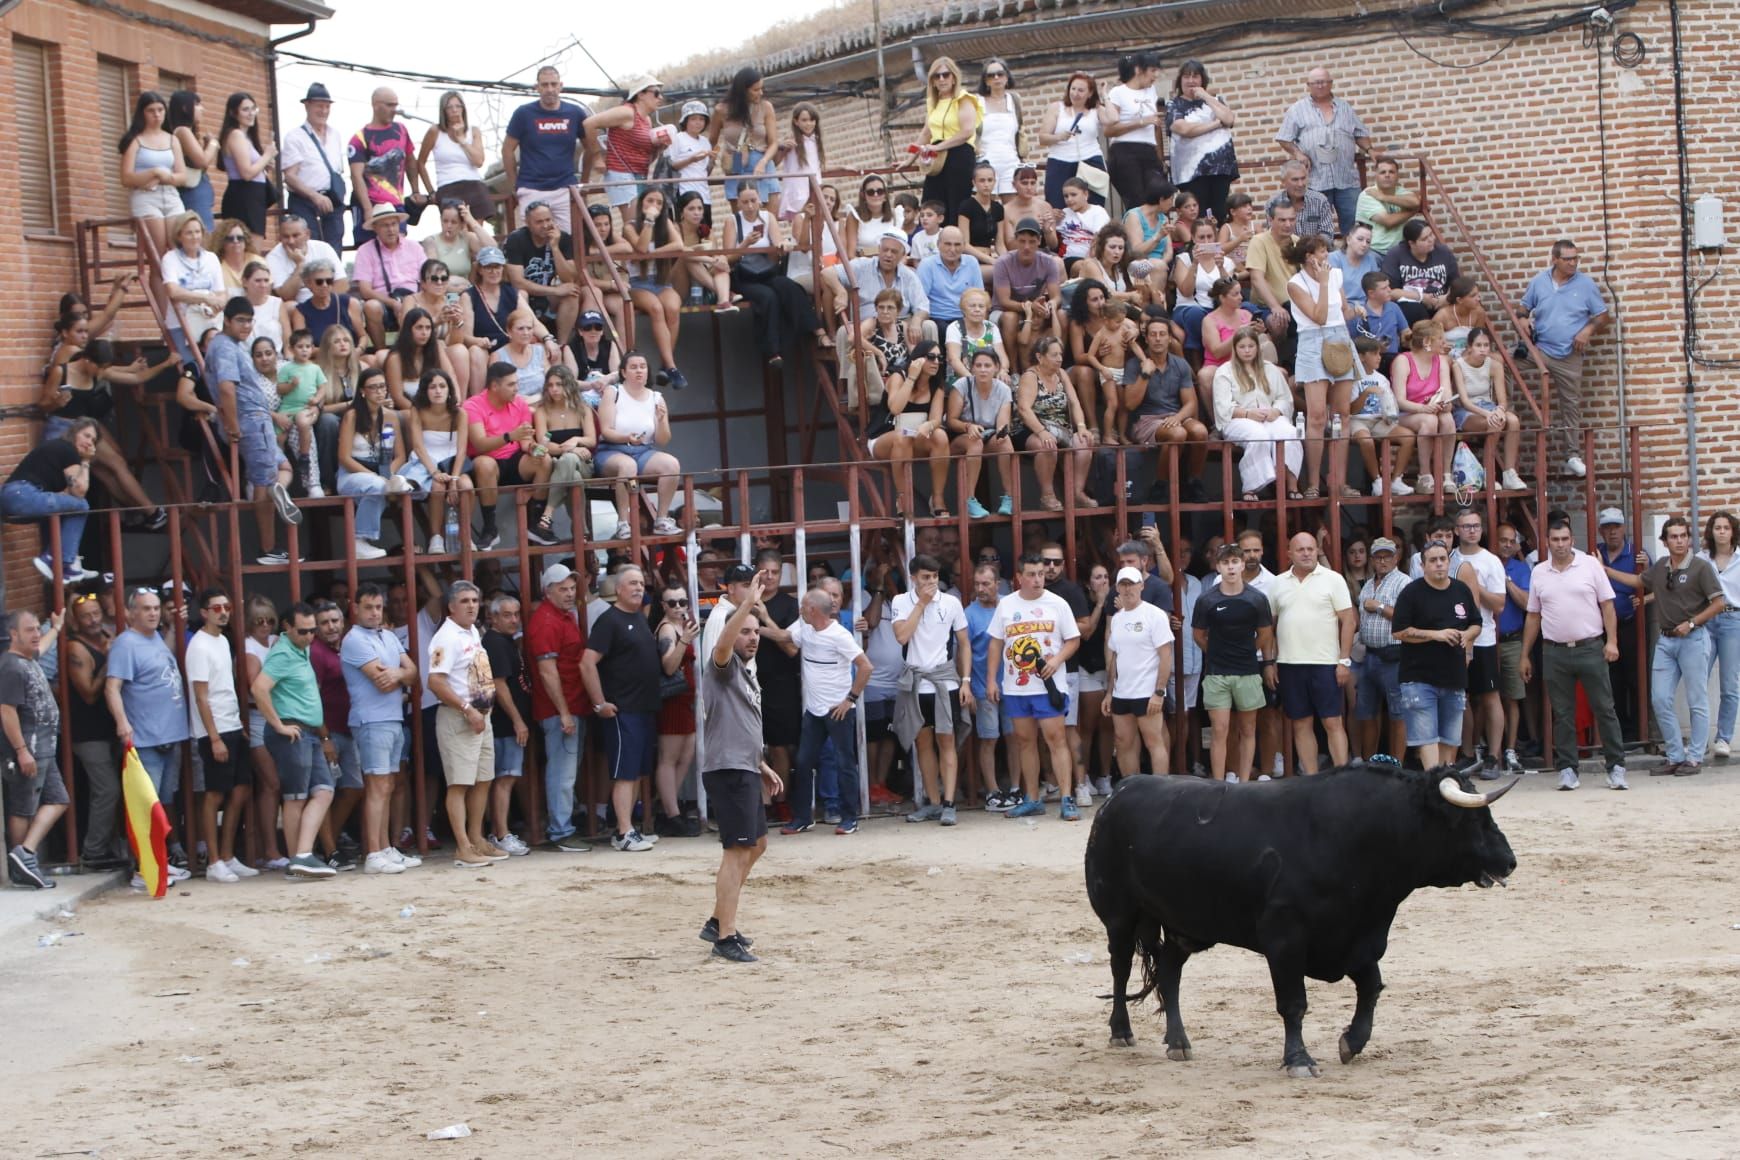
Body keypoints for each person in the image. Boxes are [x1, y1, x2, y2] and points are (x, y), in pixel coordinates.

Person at [698, 591, 784, 963]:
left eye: (755, 632)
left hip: (744, 765)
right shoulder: (724, 664)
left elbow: (740, 725)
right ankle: (725, 936)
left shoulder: (745, 673)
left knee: (758, 844)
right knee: (736, 852)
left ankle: (719, 921)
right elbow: (722, 644)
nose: (751, 637)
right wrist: (746, 605)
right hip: (729, 770)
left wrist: (761, 763)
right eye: (744, 631)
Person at [1521, 518, 1629, 791]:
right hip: (1554, 650)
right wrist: (1525, 654)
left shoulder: (1590, 565)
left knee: (1604, 708)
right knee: (1562, 713)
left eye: (1564, 539)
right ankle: (1568, 768)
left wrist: (1612, 641)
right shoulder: (1539, 572)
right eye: (1555, 540)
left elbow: (1607, 606)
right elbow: (1533, 616)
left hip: (1590, 646)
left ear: (1572, 540)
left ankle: (1616, 766)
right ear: (1547, 542)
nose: (1560, 545)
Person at [206, 299, 303, 565]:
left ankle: (277, 491)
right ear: (226, 320)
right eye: (240, 320)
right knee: (263, 480)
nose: (246, 326)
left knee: (283, 467)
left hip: (256, 419)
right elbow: (226, 387)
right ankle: (268, 549)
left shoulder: (234, 345)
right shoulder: (224, 346)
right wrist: (234, 425)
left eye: (249, 320)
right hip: (249, 419)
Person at [987, 552, 1083, 819]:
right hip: (1016, 686)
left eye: (1041, 574)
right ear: (1019, 577)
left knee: (1056, 739)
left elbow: (1073, 640)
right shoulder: (1006, 605)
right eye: (1031, 574)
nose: (1038, 579)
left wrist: (1057, 661)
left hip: (1048, 686)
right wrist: (992, 680)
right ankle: (1032, 798)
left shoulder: (1058, 604)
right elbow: (996, 642)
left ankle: (1066, 797)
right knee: (1024, 741)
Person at [247, 601, 337, 879]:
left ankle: (302, 855)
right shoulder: (284, 653)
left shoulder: (299, 648)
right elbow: (258, 688)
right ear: (287, 628)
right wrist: (277, 725)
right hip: (292, 731)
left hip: (306, 732)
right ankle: (299, 858)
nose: (310, 636)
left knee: (323, 790)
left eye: (312, 631)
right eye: (303, 631)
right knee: (296, 797)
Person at [779, 587, 873, 835]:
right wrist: (756, 622)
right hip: (814, 711)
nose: (799, 610)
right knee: (803, 762)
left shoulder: (839, 635)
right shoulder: (806, 630)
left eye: (802, 606)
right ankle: (802, 817)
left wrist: (849, 700)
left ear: (812, 610)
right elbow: (782, 636)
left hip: (837, 710)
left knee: (845, 763)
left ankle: (849, 817)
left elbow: (865, 667)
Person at [581, 566, 662, 852]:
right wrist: (599, 703)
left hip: (644, 708)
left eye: (641, 583)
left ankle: (628, 829)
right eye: (632, 583)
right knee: (625, 773)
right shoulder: (609, 620)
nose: (639, 588)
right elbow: (587, 662)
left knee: (639, 772)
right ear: (618, 589)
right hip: (622, 710)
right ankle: (624, 831)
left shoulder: (639, 617)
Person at [425, 581, 507, 865]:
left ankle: (476, 839)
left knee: (483, 778)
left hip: (480, 717)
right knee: (459, 783)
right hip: (459, 717)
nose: (472, 605)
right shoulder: (445, 637)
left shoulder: (471, 630)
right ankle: (462, 846)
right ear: (451, 606)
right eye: (465, 601)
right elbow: (435, 681)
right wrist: (466, 708)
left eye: (475, 600)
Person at [341, 582, 420, 875]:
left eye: (378, 607)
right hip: (371, 720)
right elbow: (382, 680)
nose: (375, 613)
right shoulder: (354, 640)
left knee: (387, 785)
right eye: (368, 608)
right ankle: (373, 852)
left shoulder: (387, 635)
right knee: (376, 786)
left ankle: (385, 847)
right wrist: (403, 674)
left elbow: (412, 673)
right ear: (356, 608)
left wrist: (400, 674)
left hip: (392, 718)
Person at [891, 554, 973, 826]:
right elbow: (902, 636)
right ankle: (933, 802)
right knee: (921, 743)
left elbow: (964, 643)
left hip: (944, 681)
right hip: (915, 682)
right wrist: (922, 604)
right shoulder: (901, 601)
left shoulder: (951, 602)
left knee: (946, 741)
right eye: (925, 577)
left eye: (935, 577)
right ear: (913, 578)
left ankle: (949, 803)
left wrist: (965, 681)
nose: (931, 582)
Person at [1641, 517, 1725, 778]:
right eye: (1673, 537)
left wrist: (1691, 623)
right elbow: (1637, 582)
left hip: (1693, 637)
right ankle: (1676, 755)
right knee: (1660, 698)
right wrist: (1602, 570)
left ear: (1689, 539)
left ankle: (1695, 757)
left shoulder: (1701, 567)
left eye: (1683, 536)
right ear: (1664, 542)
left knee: (1696, 700)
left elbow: (1719, 603)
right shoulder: (1660, 569)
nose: (1679, 541)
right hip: (1666, 640)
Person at [1519, 239, 1609, 477]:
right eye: (1567, 259)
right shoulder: (1539, 282)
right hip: (1539, 349)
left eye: (1575, 258)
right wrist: (1522, 320)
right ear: (1555, 259)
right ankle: (1503, 409)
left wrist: (1587, 330)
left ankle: (1572, 454)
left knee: (1570, 404)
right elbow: (1522, 308)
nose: (1572, 263)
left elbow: (1602, 315)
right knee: (1503, 363)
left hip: (1569, 355)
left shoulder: (1586, 284)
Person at [1267, 533, 1356, 775]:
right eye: (1300, 550)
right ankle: (1311, 780)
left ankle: (1342, 778)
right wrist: (1271, 660)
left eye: (1310, 549)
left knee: (1332, 722)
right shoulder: (1277, 583)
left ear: (1317, 550)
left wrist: (1344, 661)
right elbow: (1270, 626)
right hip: (1289, 664)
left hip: (1325, 663)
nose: (1306, 553)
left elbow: (1348, 621)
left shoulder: (1333, 579)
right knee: (1300, 723)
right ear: (1289, 553)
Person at [183, 587, 254, 883]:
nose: (223, 612)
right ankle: (213, 861)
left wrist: (237, 722)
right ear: (203, 613)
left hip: (232, 725)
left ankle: (227, 855)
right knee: (214, 794)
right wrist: (213, 737)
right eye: (216, 608)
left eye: (226, 607)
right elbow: (201, 697)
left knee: (240, 789)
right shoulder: (198, 646)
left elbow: (225, 686)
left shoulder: (223, 641)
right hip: (213, 731)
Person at [1389, 542, 1479, 770]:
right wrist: (1435, 635)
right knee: (1426, 739)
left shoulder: (1461, 590)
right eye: (1433, 560)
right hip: (1419, 678)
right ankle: (1433, 784)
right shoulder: (1412, 592)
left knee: (1450, 741)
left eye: (1443, 559)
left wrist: (1467, 635)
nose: (1439, 564)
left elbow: (1476, 623)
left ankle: (1443, 787)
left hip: (1454, 676)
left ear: (1449, 561)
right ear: (1423, 565)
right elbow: (1399, 631)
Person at [525, 564, 592, 851]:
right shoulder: (546, 622)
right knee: (562, 772)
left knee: (566, 770)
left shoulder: (562, 617)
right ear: (547, 590)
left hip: (572, 705)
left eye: (572, 588)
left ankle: (562, 826)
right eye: (562, 589)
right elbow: (547, 671)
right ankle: (560, 832)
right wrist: (564, 712)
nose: (569, 593)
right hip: (560, 710)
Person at [1286, 233, 1357, 498]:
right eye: (1322, 252)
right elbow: (1318, 316)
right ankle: (1314, 482)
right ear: (1309, 257)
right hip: (1313, 340)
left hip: (1340, 338)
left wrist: (1356, 310)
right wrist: (1324, 283)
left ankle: (1339, 480)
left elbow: (1343, 311)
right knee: (1317, 416)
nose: (1327, 256)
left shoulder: (1336, 274)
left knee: (1343, 414)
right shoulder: (1295, 283)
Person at [724, 185, 828, 365]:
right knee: (768, 297)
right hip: (745, 276)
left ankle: (817, 331)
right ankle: (773, 351)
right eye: (745, 202)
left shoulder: (768, 217)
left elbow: (778, 241)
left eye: (753, 201)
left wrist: (782, 246)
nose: (749, 206)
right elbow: (727, 259)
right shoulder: (732, 221)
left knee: (789, 287)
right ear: (738, 203)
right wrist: (745, 244)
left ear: (759, 200)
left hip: (767, 272)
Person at [1, 612, 66, 890]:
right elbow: (6, 711)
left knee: (59, 799)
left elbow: (44, 645)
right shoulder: (11, 667)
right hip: (29, 750)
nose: (36, 634)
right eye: (29, 630)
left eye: (38, 629)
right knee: (23, 808)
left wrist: (57, 627)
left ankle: (24, 853)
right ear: (13, 634)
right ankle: (22, 863)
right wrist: (21, 750)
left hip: (44, 750)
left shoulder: (28, 659)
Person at [463, 360, 554, 550]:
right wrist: (509, 436)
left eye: (517, 383)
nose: (517, 389)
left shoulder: (519, 404)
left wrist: (534, 449)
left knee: (544, 460)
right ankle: (490, 528)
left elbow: (525, 442)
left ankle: (536, 524)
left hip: (513, 460)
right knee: (484, 463)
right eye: (511, 384)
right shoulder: (472, 406)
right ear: (494, 386)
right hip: (487, 463)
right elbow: (479, 444)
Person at [1274, 67, 1376, 236]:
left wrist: (1370, 150)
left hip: (1346, 179)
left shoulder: (1345, 108)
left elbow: (1360, 133)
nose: (1320, 86)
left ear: (1331, 84)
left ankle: (1351, 259)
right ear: (1308, 85)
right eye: (1316, 83)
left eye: (1324, 82)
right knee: (1315, 227)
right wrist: (1298, 154)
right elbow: (1284, 137)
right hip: (1315, 180)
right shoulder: (1297, 110)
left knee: (1354, 226)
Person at [595, 352, 681, 539]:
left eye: (642, 367)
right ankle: (623, 523)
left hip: (643, 451)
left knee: (671, 465)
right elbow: (606, 430)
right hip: (611, 450)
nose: (639, 371)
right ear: (624, 372)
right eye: (633, 367)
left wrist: (661, 420)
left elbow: (663, 440)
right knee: (628, 466)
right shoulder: (613, 392)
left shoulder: (656, 397)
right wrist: (626, 437)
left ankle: (662, 519)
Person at [1, 418, 97, 584]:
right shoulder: (67, 449)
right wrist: (86, 461)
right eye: (86, 436)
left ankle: (69, 563)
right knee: (82, 506)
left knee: (64, 512)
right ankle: (56, 559)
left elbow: (68, 496)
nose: (89, 443)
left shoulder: (58, 450)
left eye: (93, 440)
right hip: (22, 493)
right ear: (74, 433)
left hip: (15, 497)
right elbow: (79, 492)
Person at [1451, 509, 1510, 777]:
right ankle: (1466, 753)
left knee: (1489, 697)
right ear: (1456, 530)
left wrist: (1474, 585)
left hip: (1483, 636)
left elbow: (1499, 604)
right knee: (1459, 698)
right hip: (1453, 638)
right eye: (1466, 526)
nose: (1472, 530)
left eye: (1476, 525)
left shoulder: (1491, 561)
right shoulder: (1448, 559)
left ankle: (1493, 756)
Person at [1212, 326, 1300, 501]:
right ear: (1235, 349)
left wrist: (1276, 410)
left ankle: (1291, 484)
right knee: (1258, 434)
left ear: (1257, 348)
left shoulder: (1270, 369)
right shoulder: (1224, 371)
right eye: (1242, 347)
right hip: (1239, 419)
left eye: (1250, 346)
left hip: (1269, 416)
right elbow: (1223, 407)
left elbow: (1284, 398)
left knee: (1289, 432)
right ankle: (1251, 487)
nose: (1246, 351)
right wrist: (1247, 414)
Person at [1126, 316, 1210, 498]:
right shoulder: (1134, 364)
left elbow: (1190, 403)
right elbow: (1130, 404)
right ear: (1146, 338)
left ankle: (1194, 482)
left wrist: (1177, 418)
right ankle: (1161, 483)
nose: (1157, 338)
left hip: (1175, 416)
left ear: (1170, 338)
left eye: (1162, 334)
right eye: (1153, 334)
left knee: (1200, 432)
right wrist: (1145, 374)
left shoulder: (1180, 364)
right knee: (1178, 434)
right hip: (1146, 420)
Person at [1013, 336, 1098, 512]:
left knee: (1084, 441)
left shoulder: (1061, 373)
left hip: (1060, 428)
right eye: (1054, 355)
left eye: (1060, 354)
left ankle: (1077, 492)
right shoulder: (1030, 376)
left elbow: (1074, 403)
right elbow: (1024, 410)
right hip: (1031, 429)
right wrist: (1042, 431)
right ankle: (1047, 495)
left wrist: (1082, 426)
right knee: (1047, 446)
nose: (1059, 358)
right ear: (1040, 357)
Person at [502, 67, 591, 235]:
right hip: (531, 188)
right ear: (537, 87)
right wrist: (515, 185)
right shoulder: (523, 113)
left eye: (553, 84)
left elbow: (591, 148)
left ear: (560, 86)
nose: (549, 89)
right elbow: (507, 150)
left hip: (565, 188)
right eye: (544, 85)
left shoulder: (575, 113)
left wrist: (584, 182)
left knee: (570, 242)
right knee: (534, 243)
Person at [1106, 565, 1175, 779]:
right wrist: (1110, 692)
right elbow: (1116, 657)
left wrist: (1159, 692)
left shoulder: (1154, 615)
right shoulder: (1117, 618)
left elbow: (1166, 655)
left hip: (1147, 692)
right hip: (1122, 692)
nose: (1128, 589)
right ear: (1117, 588)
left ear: (1142, 586)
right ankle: (1131, 791)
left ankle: (1161, 793)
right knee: (1123, 741)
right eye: (1123, 584)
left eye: (1132, 584)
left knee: (1154, 741)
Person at [335, 367, 409, 561]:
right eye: (373, 387)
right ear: (362, 391)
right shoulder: (352, 416)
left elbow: (400, 455)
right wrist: (375, 477)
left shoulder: (391, 416)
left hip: (383, 470)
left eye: (382, 387)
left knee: (391, 485)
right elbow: (344, 457)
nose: (379, 391)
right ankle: (359, 540)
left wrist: (388, 474)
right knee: (377, 486)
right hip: (351, 473)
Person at [620, 187, 690, 390]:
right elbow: (640, 247)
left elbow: (679, 246)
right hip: (638, 282)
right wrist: (649, 221)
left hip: (661, 282)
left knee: (673, 307)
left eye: (659, 203)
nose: (655, 206)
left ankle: (664, 365)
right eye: (650, 201)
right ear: (642, 203)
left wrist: (653, 253)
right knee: (657, 309)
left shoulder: (666, 223)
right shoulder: (630, 226)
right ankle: (671, 367)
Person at [480, 595, 533, 855]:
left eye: (516, 614)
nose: (514, 619)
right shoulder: (496, 643)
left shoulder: (504, 641)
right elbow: (499, 685)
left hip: (506, 722)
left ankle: (498, 832)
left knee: (504, 778)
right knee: (505, 778)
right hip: (504, 724)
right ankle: (501, 833)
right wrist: (518, 721)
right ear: (493, 617)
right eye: (507, 615)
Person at [651, 582, 700, 838]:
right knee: (669, 759)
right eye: (672, 603)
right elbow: (669, 666)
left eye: (682, 602)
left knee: (684, 756)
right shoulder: (668, 629)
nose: (678, 607)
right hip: (672, 700)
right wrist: (685, 642)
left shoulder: (681, 626)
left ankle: (666, 808)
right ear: (663, 606)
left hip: (684, 700)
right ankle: (671, 814)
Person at [1595, 507, 1649, 741]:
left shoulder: (1638, 555)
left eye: (1616, 526)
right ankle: (1618, 732)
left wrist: (1646, 568)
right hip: (1602, 629)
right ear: (1601, 531)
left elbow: (1652, 584)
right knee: (1611, 682)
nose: (1612, 532)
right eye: (1607, 528)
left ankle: (1638, 731)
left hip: (1630, 626)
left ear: (1624, 528)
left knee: (1635, 678)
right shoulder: (1594, 554)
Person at [1354, 537, 1409, 762]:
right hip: (1369, 656)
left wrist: (1379, 607)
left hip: (1394, 656)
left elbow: (1406, 617)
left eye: (1388, 556)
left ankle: (1397, 767)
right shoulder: (1368, 584)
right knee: (1367, 714)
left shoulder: (1403, 582)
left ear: (1396, 558)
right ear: (1372, 559)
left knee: (1398, 714)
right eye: (1378, 557)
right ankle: (1370, 765)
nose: (1383, 561)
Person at [1165, 60, 1237, 223]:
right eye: (1186, 76)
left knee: (1219, 213)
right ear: (1180, 80)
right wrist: (1217, 124)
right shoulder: (1174, 105)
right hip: (1191, 171)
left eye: (1195, 76)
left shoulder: (1215, 99)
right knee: (1198, 215)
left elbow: (1229, 118)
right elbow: (1185, 130)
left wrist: (1206, 96)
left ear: (1202, 79)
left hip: (1219, 168)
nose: (1191, 81)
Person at [118, 90, 187, 260]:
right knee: (158, 256)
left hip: (171, 196)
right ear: (142, 113)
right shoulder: (135, 140)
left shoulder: (172, 139)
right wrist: (154, 172)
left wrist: (165, 177)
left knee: (178, 252)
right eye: (151, 110)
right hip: (146, 197)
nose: (156, 114)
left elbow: (182, 176)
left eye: (160, 109)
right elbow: (126, 178)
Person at [352, 205, 431, 348]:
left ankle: (409, 351)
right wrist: (393, 303)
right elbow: (365, 290)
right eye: (385, 225)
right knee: (371, 306)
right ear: (375, 228)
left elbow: (428, 277)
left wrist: (412, 301)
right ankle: (381, 351)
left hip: (415, 298)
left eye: (394, 224)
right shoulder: (365, 251)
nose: (391, 229)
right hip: (384, 303)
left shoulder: (414, 247)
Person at [281, 82, 349, 250]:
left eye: (327, 106)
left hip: (332, 199)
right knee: (309, 246)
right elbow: (290, 176)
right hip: (305, 201)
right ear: (307, 106)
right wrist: (315, 197)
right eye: (319, 106)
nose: (324, 111)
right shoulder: (295, 137)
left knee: (334, 247)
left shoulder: (335, 135)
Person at [349, 87, 423, 238]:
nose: (394, 110)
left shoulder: (401, 130)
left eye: (395, 105)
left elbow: (410, 160)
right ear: (376, 105)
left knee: (398, 246)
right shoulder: (360, 138)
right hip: (370, 202)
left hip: (395, 203)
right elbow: (356, 176)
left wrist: (415, 190)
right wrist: (367, 208)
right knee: (369, 249)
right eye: (389, 105)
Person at [1391, 322, 1456, 494]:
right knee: (1429, 420)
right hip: (1406, 413)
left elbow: (1446, 392)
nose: (1444, 342)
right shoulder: (1403, 361)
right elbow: (1399, 400)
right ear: (1427, 341)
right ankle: (1425, 475)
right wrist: (1423, 408)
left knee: (1447, 419)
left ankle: (1446, 474)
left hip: (1432, 410)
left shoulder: (1441, 361)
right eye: (1440, 338)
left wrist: (1445, 403)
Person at [915, 56, 981, 223]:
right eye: (937, 76)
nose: (942, 79)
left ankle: (957, 242)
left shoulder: (964, 99)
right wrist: (908, 159)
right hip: (936, 160)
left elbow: (967, 131)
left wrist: (939, 147)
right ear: (933, 81)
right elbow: (925, 134)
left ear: (954, 77)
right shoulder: (933, 103)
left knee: (956, 205)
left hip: (959, 154)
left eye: (946, 74)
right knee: (932, 203)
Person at [993, 217, 1064, 372]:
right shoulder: (1003, 263)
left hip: (1034, 309)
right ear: (1016, 241)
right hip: (1006, 310)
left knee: (1062, 314)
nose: (1026, 247)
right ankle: (1014, 369)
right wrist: (1029, 307)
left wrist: (1051, 304)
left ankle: (1059, 365)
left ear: (1039, 241)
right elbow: (1004, 301)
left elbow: (1056, 296)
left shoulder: (1048, 262)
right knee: (1010, 317)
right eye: (1022, 241)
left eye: (1031, 242)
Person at [711, 68, 782, 218]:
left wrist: (763, 162)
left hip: (762, 163)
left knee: (769, 221)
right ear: (743, 90)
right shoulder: (721, 110)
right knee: (743, 222)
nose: (761, 93)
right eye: (756, 90)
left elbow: (773, 142)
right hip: (736, 162)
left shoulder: (766, 107)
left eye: (762, 88)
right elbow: (712, 143)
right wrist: (709, 165)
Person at [1495, 523, 1535, 773]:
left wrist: (1506, 580)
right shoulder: (1483, 563)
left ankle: (1509, 750)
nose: (1507, 545)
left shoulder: (1521, 569)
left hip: (1512, 640)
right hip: (1487, 640)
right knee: (1484, 699)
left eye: (1512, 541)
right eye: (1503, 540)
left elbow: (1528, 604)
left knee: (1512, 698)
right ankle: (1490, 751)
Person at [1101, 52, 1164, 212]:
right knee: (1137, 202)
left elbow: (1155, 123)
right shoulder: (1118, 92)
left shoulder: (1151, 91)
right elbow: (1109, 130)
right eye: (1152, 70)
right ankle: (1137, 235)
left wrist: (1160, 155)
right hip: (1125, 151)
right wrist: (1141, 122)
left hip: (1149, 150)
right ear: (1138, 70)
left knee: (1158, 196)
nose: (1155, 75)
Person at [1701, 511, 1740, 763]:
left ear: (1733, 531)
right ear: (1711, 531)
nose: (1722, 532)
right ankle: (1699, 739)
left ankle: (1723, 738)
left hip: (1732, 620)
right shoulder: (1702, 559)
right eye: (1718, 527)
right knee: (1698, 679)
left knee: (1730, 683)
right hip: (1705, 620)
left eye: (1726, 527)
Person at [217, 92, 276, 247]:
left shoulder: (246, 136)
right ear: (233, 113)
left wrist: (265, 165)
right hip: (244, 196)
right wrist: (267, 155)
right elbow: (246, 173)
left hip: (253, 196)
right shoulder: (236, 135)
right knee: (249, 251)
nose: (251, 114)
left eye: (253, 109)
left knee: (253, 249)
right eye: (245, 110)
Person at [1039, 73, 1104, 210]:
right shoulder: (1057, 107)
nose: (1075, 93)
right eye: (1073, 89)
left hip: (1090, 159)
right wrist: (1059, 137)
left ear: (1090, 93)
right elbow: (1043, 138)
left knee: (1094, 207)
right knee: (1057, 206)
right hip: (1060, 161)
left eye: (1081, 90)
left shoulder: (1095, 109)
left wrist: (1105, 97)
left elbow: (1113, 120)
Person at [1378, 220, 1459, 326]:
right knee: (1414, 309)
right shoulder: (1396, 255)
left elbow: (1456, 283)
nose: (1431, 240)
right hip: (1411, 305)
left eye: (1431, 234)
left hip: (1441, 302)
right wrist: (1421, 297)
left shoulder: (1443, 252)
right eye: (1425, 239)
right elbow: (1390, 292)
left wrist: (1447, 298)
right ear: (1411, 243)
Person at [167, 90, 218, 229]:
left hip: (198, 188)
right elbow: (201, 161)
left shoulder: (186, 131)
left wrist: (206, 145)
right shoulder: (182, 130)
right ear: (185, 108)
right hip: (193, 193)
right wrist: (213, 144)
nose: (202, 108)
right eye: (197, 104)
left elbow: (199, 166)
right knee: (202, 233)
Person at [1356, 157, 1422, 255]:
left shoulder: (1401, 191)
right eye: (1383, 172)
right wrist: (1413, 211)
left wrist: (1384, 197)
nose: (1387, 175)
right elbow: (1388, 222)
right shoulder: (1368, 194)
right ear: (1376, 176)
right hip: (1373, 251)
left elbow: (1415, 202)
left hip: (1399, 251)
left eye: (1391, 172)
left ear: (1397, 176)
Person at [1266, 162, 1337, 247]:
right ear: (1283, 182)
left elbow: (1327, 235)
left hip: (1315, 252)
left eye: (1303, 178)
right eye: (1295, 180)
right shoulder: (1273, 203)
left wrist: (1308, 248)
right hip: (1286, 252)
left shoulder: (1320, 201)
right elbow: (1272, 235)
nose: (1300, 184)